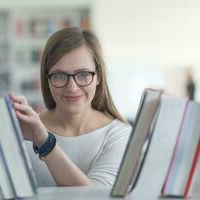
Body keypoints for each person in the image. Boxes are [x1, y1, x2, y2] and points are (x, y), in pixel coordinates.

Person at [10, 27, 131, 187]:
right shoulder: (22, 130)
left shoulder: (120, 135)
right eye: (59, 76)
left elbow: (95, 197)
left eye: (83, 75)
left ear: (98, 77)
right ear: (46, 80)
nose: (72, 88)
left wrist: (44, 142)